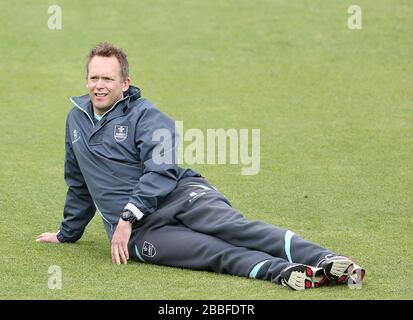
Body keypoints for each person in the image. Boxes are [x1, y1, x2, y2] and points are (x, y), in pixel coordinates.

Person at [36, 42, 365, 290]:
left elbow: (162, 169)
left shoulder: (147, 116)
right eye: (94, 77)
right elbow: (79, 182)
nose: (99, 85)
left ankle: (324, 258)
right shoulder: (75, 119)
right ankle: (284, 272)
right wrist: (67, 234)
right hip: (142, 233)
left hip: (181, 195)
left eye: (108, 78)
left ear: (125, 83)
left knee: (235, 229)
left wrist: (126, 215)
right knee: (210, 252)